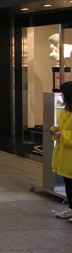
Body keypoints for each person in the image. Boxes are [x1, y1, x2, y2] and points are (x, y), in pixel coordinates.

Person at [51, 81, 72, 219]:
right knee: (69, 185)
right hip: (64, 154)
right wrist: (55, 130)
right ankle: (71, 208)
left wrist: (62, 135)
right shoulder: (66, 111)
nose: (61, 96)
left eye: (63, 93)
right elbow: (62, 127)